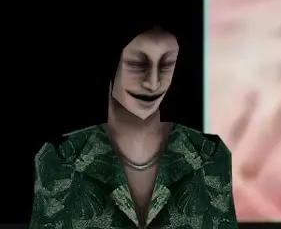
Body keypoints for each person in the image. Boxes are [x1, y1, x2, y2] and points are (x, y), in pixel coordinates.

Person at [29, 17, 239, 229]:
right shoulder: (60, 157)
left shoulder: (210, 154)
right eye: (137, 64)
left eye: (167, 64)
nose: (153, 83)